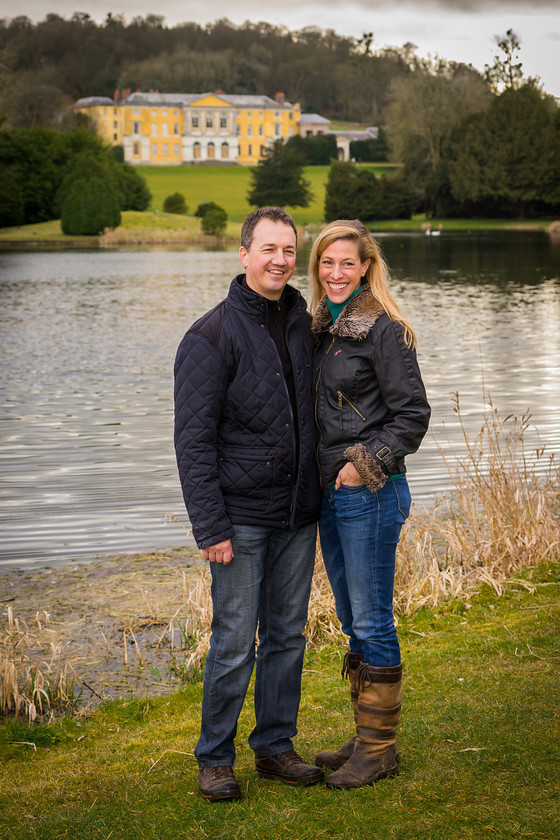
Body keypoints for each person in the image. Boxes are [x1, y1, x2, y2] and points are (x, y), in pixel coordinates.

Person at [174, 207, 323, 802]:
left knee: (287, 635)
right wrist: (210, 526)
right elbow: (193, 442)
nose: (280, 260)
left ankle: (275, 747)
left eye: (289, 250)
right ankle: (215, 757)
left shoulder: (301, 321)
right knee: (235, 640)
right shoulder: (209, 336)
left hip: (298, 513)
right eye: (269, 249)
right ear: (243, 254)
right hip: (239, 517)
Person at [309, 220, 431, 790]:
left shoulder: (385, 330)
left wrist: (361, 467)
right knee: (354, 617)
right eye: (326, 264)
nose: (336, 274)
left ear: (365, 268)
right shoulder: (321, 328)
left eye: (346, 264)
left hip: (371, 492)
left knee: (373, 618)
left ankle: (380, 748)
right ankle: (365, 734)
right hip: (334, 495)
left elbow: (412, 416)